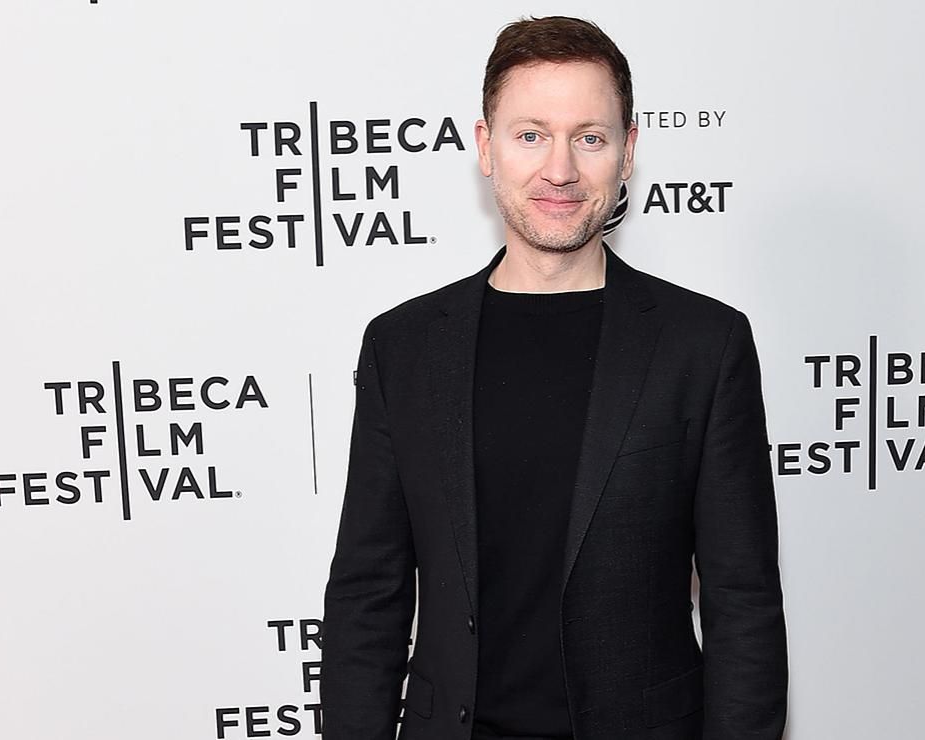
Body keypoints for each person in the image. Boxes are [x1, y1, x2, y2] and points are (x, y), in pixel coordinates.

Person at [321, 15, 787, 740]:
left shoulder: (704, 345)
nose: (560, 169)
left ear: (628, 151)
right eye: (531, 135)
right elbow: (365, 595)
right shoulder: (403, 347)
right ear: (486, 147)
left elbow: (743, 600)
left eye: (589, 138)